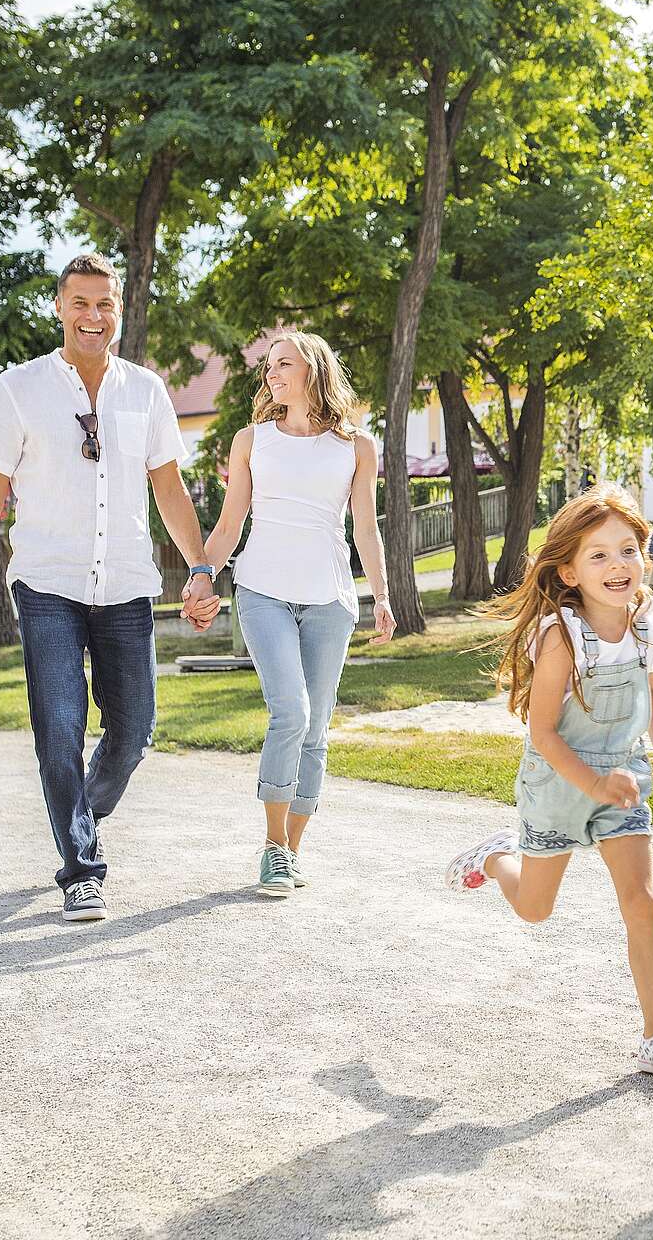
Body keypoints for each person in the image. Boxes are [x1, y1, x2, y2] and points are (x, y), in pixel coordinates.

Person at [0, 252, 222, 922]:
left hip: (125, 584)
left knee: (133, 735)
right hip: (48, 583)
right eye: (80, 303)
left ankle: (78, 818)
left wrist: (201, 567)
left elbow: (170, 490)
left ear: (118, 311)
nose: (92, 317)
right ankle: (81, 868)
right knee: (58, 727)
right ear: (60, 308)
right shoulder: (19, 390)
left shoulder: (146, 391)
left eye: (105, 305)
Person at [443, 484, 653, 1077]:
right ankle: (494, 861)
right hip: (560, 785)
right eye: (599, 555)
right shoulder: (561, 636)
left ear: (645, 555)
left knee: (642, 902)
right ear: (567, 571)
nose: (618, 565)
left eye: (628, 550)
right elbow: (542, 732)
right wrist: (592, 785)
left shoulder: (646, 622)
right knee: (534, 910)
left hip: (625, 782)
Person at [201, 332, 396, 897]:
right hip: (262, 591)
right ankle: (270, 846)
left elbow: (366, 527)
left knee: (315, 729)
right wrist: (202, 575)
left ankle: (291, 850)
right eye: (268, 367)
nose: (271, 374)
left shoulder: (356, 447)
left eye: (283, 363)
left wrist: (381, 596)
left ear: (313, 369)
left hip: (330, 601)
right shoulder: (251, 440)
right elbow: (231, 520)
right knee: (290, 712)